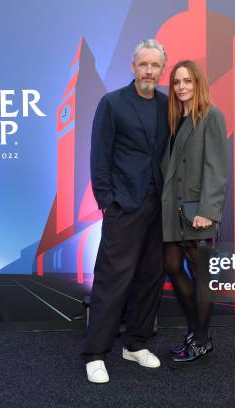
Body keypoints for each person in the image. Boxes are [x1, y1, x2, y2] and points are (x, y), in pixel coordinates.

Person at [83, 39, 168, 383]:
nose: (149, 70)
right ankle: (94, 353)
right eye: (143, 64)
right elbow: (99, 155)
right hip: (123, 205)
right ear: (133, 67)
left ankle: (135, 343)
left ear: (162, 69)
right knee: (112, 279)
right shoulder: (112, 103)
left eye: (155, 65)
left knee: (150, 278)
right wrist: (107, 199)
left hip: (158, 205)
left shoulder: (167, 105)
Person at [161, 60, 228, 364]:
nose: (182, 87)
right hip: (172, 210)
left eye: (187, 81)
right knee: (172, 266)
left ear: (198, 83)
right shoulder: (174, 120)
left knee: (201, 277)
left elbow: (217, 168)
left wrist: (208, 210)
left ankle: (201, 339)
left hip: (197, 211)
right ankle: (195, 331)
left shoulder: (211, 117)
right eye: (176, 82)